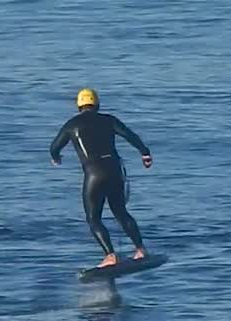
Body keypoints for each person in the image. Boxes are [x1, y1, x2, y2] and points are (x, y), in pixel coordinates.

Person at [50, 88, 154, 268]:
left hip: (94, 175)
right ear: (97, 104)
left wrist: (56, 157)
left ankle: (110, 256)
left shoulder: (71, 125)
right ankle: (140, 250)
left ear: (78, 106)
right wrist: (145, 153)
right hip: (114, 171)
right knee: (120, 212)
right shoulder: (109, 120)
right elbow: (129, 135)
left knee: (93, 218)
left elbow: (54, 147)